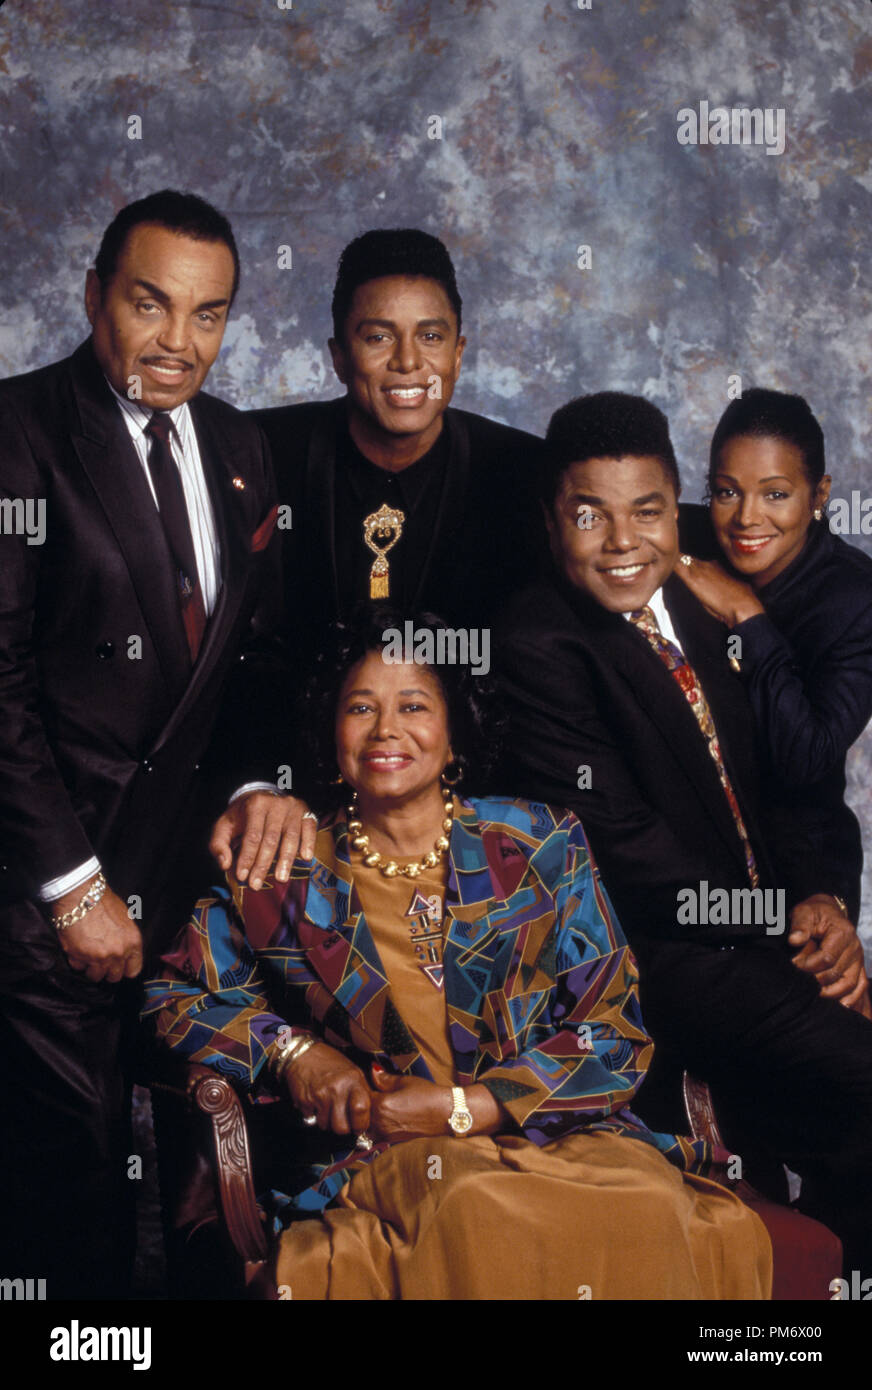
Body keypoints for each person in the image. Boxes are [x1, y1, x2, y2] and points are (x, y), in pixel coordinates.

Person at [143, 609, 770, 1300]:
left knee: (649, 1207)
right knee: (474, 1208)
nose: (386, 729)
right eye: (361, 707)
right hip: (393, 1154)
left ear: (454, 733)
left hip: (558, 1138)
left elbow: (612, 1033)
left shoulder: (541, 844)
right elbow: (175, 998)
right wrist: (293, 1053)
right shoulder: (284, 867)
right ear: (331, 730)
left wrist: (466, 1108)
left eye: (414, 705)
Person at [493, 391, 872, 1271]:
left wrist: (822, 901)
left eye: (648, 511)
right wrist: (783, 922)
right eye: (592, 515)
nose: (625, 541)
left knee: (842, 1121)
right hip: (664, 960)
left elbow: (791, 782)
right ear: (554, 521)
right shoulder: (538, 643)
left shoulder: (708, 597)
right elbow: (628, 856)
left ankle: (828, 1288)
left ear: (678, 508)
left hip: (766, 931)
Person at [0, 189, 295, 1298]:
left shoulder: (240, 447)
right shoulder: (18, 432)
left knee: (207, 1183)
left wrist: (264, 781)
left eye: (208, 315)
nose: (179, 343)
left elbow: (255, 661)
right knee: (65, 1197)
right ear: (91, 297)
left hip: (180, 899)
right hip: (41, 894)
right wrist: (73, 888)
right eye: (150, 304)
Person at [254, 229, 544, 668]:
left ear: (458, 355)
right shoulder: (261, 452)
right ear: (339, 358)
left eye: (430, 337)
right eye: (378, 338)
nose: (408, 362)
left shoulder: (524, 473)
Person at [676, 388, 872, 929]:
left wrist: (748, 615)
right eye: (726, 491)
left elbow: (804, 761)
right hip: (690, 853)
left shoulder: (855, 601)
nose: (746, 518)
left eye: (776, 495)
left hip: (804, 866)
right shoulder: (680, 542)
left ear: (819, 495)